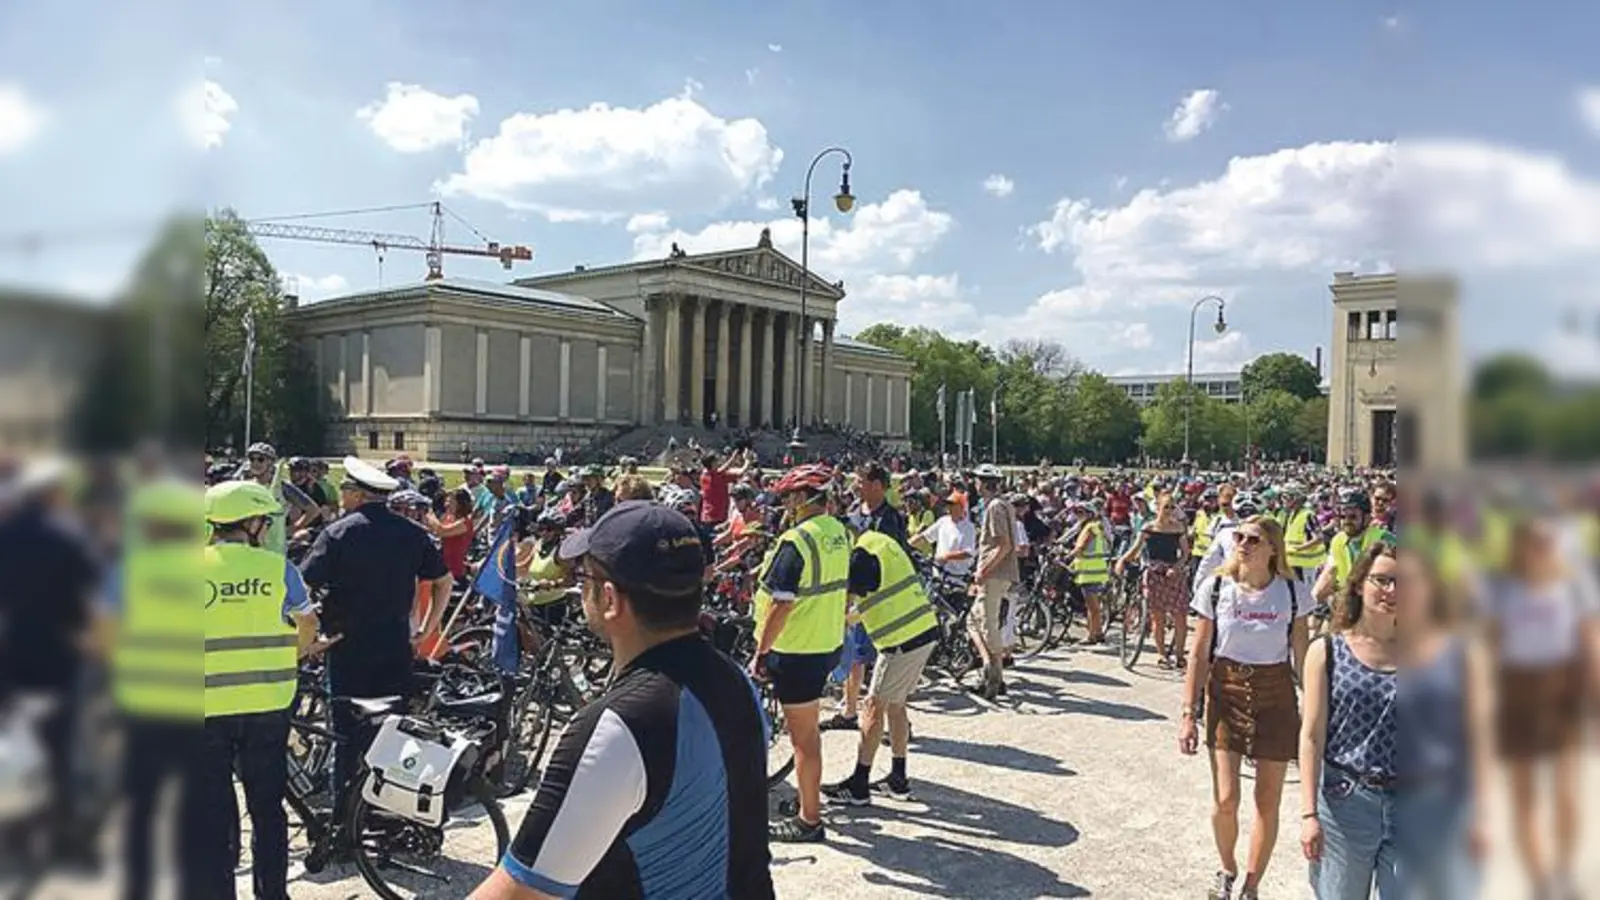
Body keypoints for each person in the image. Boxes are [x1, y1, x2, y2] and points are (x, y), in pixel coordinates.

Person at [469, 501, 774, 899]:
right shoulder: (736, 680)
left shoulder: (619, 725)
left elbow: (520, 892)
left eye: (584, 577)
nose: (579, 589)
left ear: (609, 599)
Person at [191, 480, 332, 899]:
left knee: (212, 815)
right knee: (267, 810)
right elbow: (308, 624)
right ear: (251, 523)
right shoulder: (278, 569)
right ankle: (272, 894)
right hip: (268, 706)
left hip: (204, 709)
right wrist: (295, 652)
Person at [298, 456, 452, 827]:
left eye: (347, 490)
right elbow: (444, 581)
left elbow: (301, 587)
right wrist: (428, 629)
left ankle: (344, 822)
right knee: (392, 735)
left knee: (345, 737)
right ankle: (387, 815)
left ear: (357, 494)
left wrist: (311, 636)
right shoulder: (412, 533)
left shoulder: (338, 533)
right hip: (396, 647)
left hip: (348, 648)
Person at [1181, 516, 1313, 900]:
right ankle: (1227, 867)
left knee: (1266, 800)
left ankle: (1252, 886)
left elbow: (1302, 658)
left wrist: (1316, 710)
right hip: (1226, 690)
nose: (1243, 544)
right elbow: (1199, 653)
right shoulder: (1217, 587)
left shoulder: (1292, 593)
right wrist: (1188, 712)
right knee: (1225, 798)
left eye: (1253, 539)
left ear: (1273, 548)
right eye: (1238, 537)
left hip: (1276, 695)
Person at [1483, 517, 1599, 897]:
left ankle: (1563, 867)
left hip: (1560, 688)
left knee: (1565, 791)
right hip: (1518, 691)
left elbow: (1589, 643)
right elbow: (1491, 649)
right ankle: (1538, 876)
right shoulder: (1503, 591)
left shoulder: (1572, 589)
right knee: (1524, 794)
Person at [0, 459, 101, 861]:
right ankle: (64, 836)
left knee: (14, 742)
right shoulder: (67, 538)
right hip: (58, 655)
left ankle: (17, 833)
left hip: (10, 656)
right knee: (60, 747)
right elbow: (90, 597)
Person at [751, 464, 851, 843]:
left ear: (807, 497)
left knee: (804, 739)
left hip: (794, 649)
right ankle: (808, 802)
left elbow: (781, 604)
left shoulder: (797, 540)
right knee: (806, 735)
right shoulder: (839, 532)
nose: (788, 503)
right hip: (825, 644)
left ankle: (810, 820)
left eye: (791, 496)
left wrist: (762, 650)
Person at [1298, 542, 1399, 898]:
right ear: (1358, 584)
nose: (1392, 591)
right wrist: (1308, 814)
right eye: (1383, 580)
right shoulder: (1327, 651)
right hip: (1346, 804)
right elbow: (1311, 737)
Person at [1396, 546, 1494, 898]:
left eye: (1412, 582)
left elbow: (1480, 734)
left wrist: (1482, 812)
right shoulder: (1374, 648)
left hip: (1446, 798)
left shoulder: (1462, 652)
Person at [823, 517, 941, 806]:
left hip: (901, 641)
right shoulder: (881, 543)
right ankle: (898, 780)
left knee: (873, 706)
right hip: (923, 631)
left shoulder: (862, 555)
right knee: (896, 706)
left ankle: (859, 784)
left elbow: (846, 596)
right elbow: (873, 598)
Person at [1116, 491, 1191, 668]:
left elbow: (1185, 554)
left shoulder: (1178, 528)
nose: (1169, 511)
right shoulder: (1149, 528)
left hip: (1173, 573)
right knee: (1158, 617)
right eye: (1166, 507)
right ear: (1157, 508)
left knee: (1181, 616)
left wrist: (1177, 567)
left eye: (1172, 507)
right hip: (1154, 572)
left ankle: (1180, 655)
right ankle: (1162, 655)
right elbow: (1135, 549)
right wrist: (1122, 560)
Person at [970, 464, 1018, 700]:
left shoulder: (995, 508)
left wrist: (983, 571)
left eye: (978, 480)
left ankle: (994, 678)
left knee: (988, 625)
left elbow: (1004, 544)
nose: (975, 484)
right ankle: (990, 670)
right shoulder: (1004, 504)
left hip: (995, 574)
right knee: (974, 620)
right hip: (999, 574)